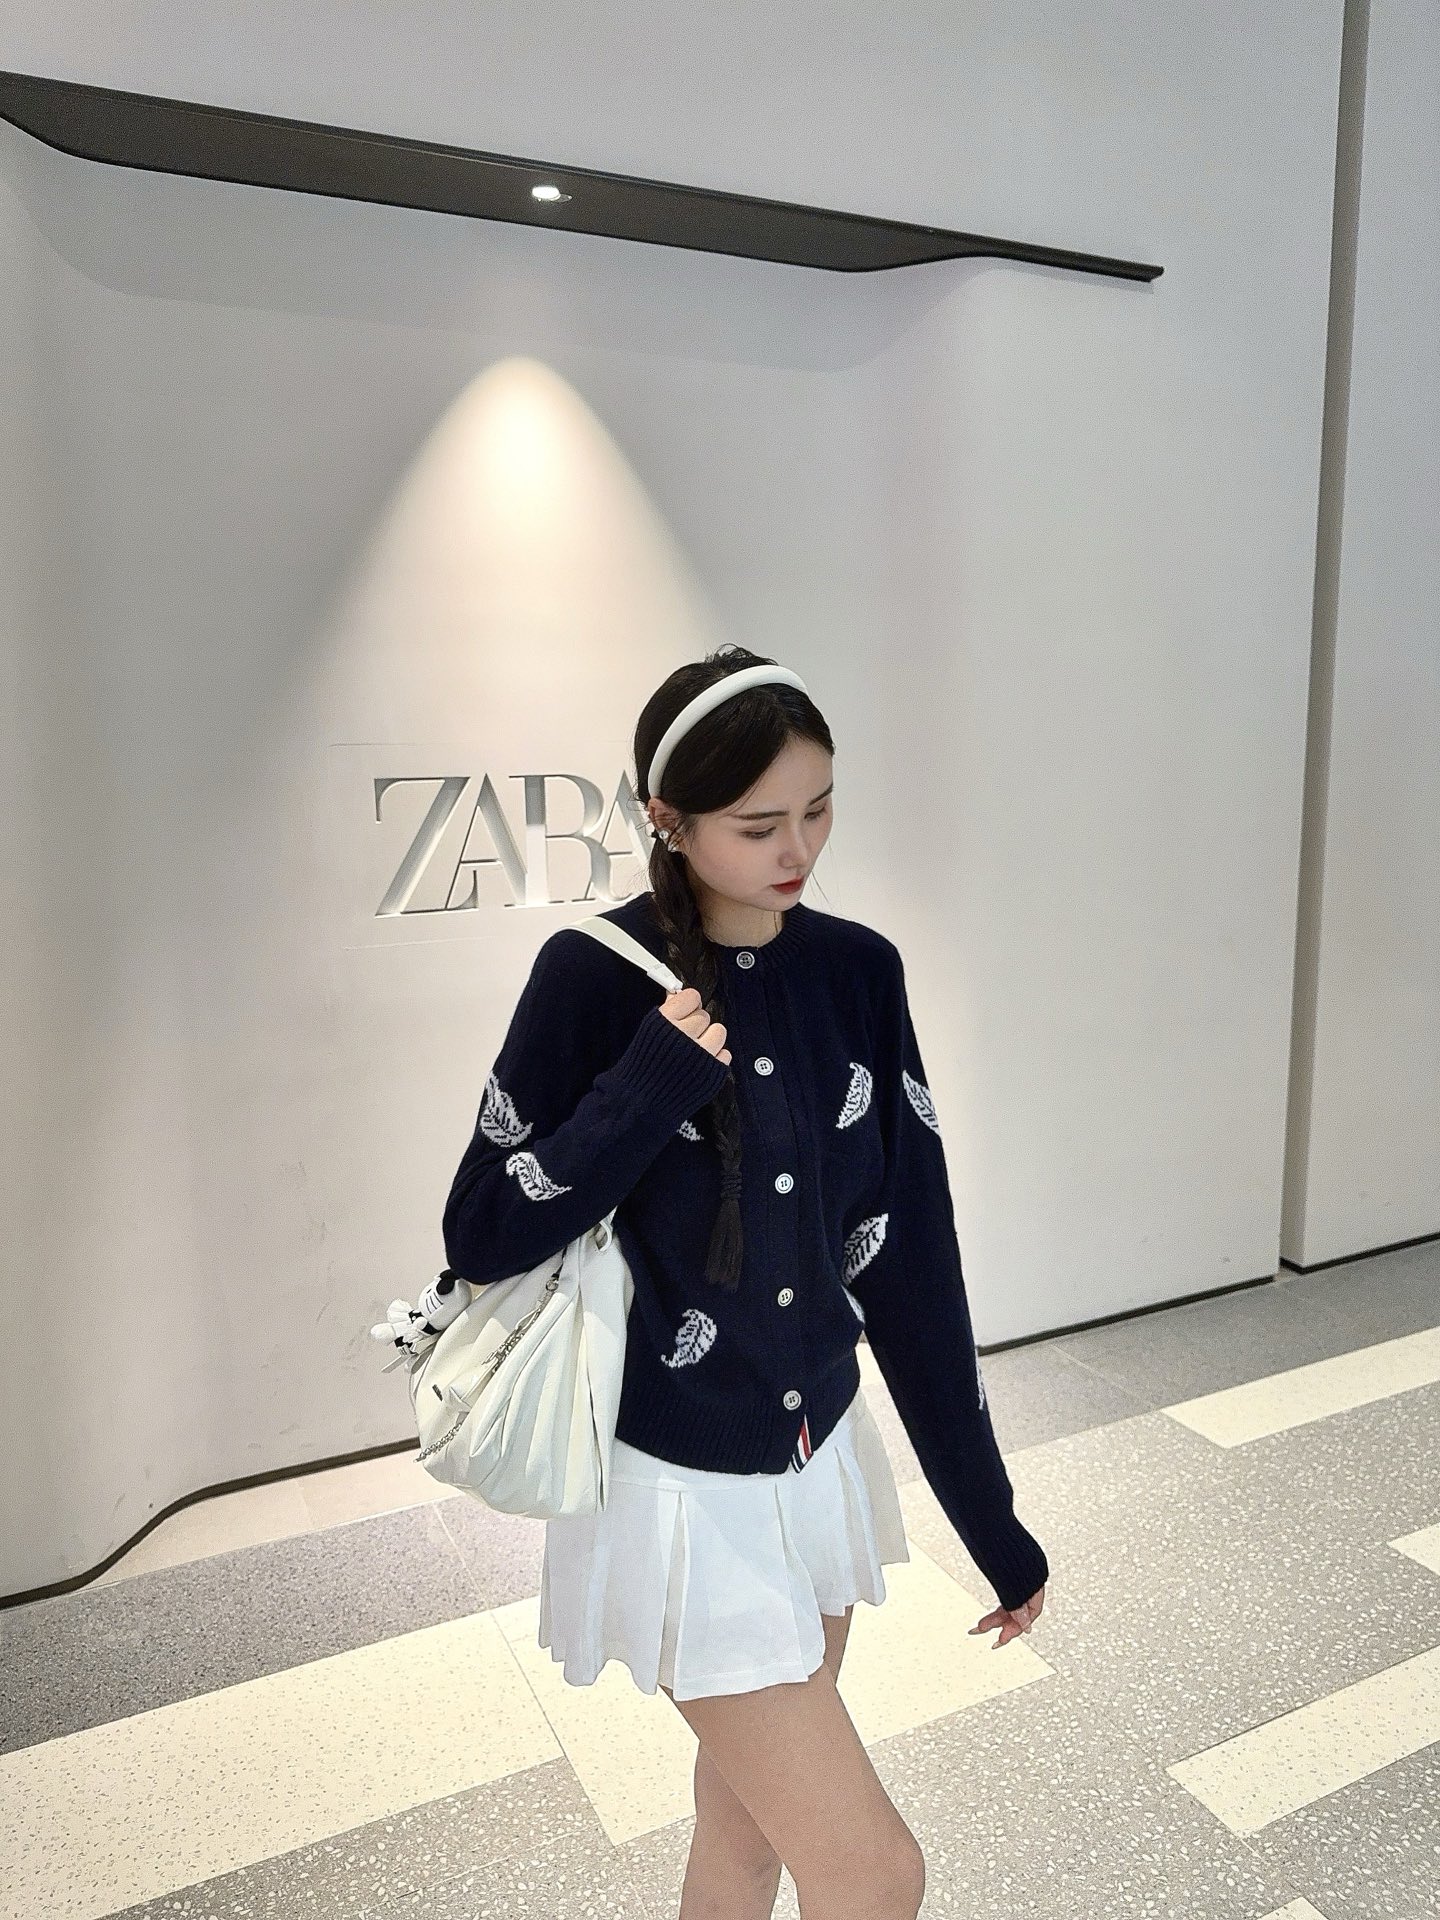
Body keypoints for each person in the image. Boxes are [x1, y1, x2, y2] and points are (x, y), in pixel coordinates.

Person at [441, 645, 1049, 1920]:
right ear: (668, 819)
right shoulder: (592, 977)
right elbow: (483, 1229)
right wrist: (643, 1091)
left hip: (819, 1461)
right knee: (876, 1872)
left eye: (819, 810)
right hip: (677, 1494)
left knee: (749, 1843)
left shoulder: (859, 972)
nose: (799, 850)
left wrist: (990, 1520)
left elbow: (911, 1260)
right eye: (758, 825)